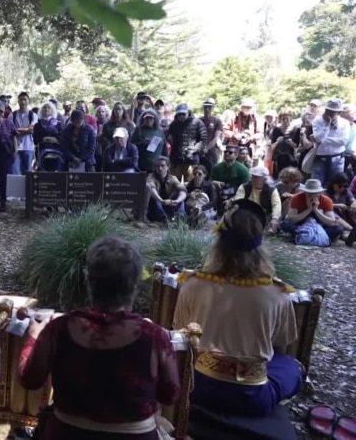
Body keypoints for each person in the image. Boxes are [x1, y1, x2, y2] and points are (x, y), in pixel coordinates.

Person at [19, 237, 181, 439]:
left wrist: (34, 335)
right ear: (134, 283)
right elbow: (170, 395)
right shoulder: (155, 336)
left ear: (89, 279)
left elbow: (29, 380)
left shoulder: (57, 329)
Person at [174, 199, 302, 417]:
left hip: (198, 389)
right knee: (292, 367)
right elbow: (281, 343)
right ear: (260, 246)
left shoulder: (192, 284)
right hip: (252, 399)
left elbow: (181, 335)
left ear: (219, 241)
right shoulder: (278, 294)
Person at [280, 178, 345, 244]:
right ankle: (313, 236)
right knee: (285, 223)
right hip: (301, 225)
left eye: (315, 193)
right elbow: (291, 219)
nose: (312, 196)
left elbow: (331, 222)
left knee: (338, 229)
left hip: (320, 226)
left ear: (320, 192)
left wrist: (316, 210)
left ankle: (306, 236)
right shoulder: (296, 198)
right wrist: (309, 209)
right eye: (310, 193)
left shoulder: (327, 200)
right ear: (305, 192)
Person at [232, 165, 281, 232]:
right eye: (252, 176)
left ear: (264, 179)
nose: (253, 179)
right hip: (246, 214)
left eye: (256, 177)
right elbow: (238, 200)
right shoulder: (244, 187)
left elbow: (276, 205)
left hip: (264, 215)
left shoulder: (272, 190)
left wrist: (275, 218)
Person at [145, 156, 187, 223]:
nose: (160, 168)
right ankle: (164, 220)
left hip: (168, 206)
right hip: (154, 208)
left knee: (180, 195)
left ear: (168, 167)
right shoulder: (150, 177)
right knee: (154, 197)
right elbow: (152, 189)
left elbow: (183, 190)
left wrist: (177, 201)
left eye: (163, 166)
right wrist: (161, 200)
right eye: (157, 166)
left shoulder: (173, 178)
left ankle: (180, 219)